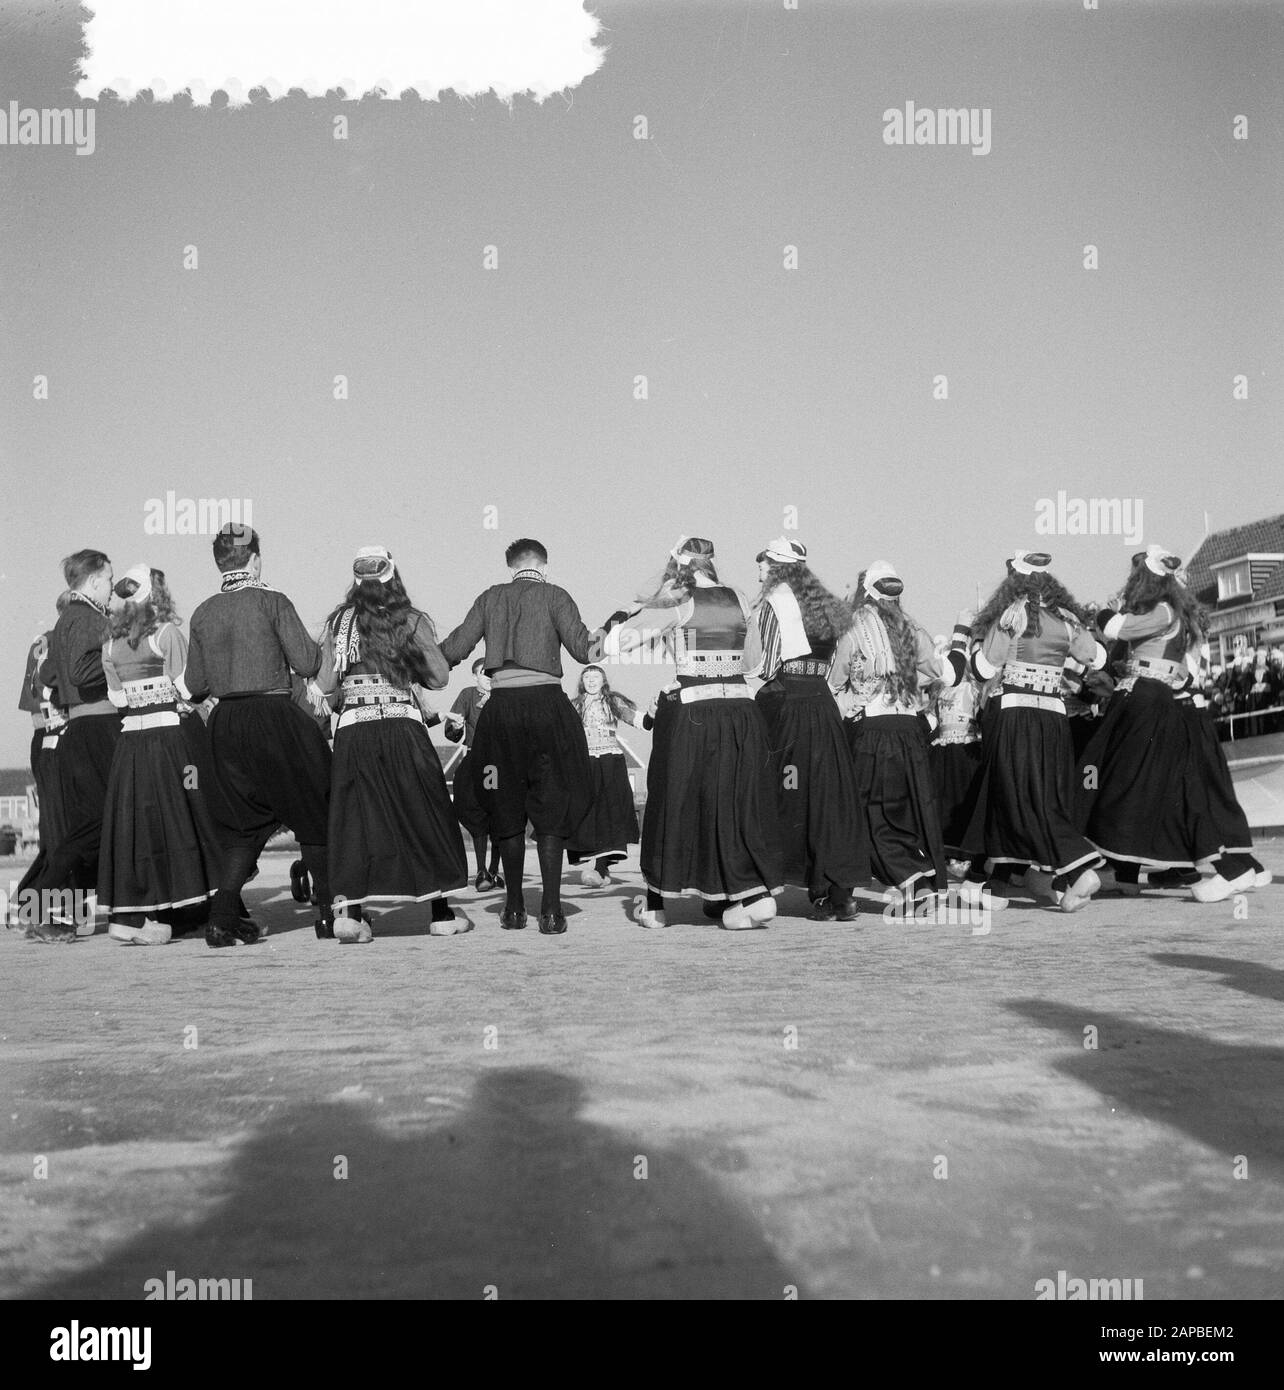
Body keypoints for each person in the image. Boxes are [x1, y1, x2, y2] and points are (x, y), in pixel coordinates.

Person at [601, 536, 782, 930]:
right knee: (733, 802)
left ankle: (655, 904)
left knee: (674, 798)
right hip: (741, 712)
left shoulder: (677, 602)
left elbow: (616, 642)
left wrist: (650, 603)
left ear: (677, 565)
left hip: (692, 713)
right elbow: (753, 660)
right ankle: (745, 893)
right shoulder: (738, 596)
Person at [1077, 546, 1271, 902]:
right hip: (1151, 700)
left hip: (1147, 702)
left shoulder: (1162, 611)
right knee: (1146, 786)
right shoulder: (1172, 611)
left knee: (1102, 774)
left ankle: (1233, 868)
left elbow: (1114, 628)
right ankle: (1125, 869)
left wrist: (1099, 609)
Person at [179, 524, 333, 948]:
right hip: (273, 717)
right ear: (256, 559)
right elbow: (305, 662)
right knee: (313, 811)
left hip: (225, 725)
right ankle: (328, 914)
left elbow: (194, 684)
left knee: (243, 830)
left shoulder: (203, 612)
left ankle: (222, 919)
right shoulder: (272, 602)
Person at [438, 538, 601, 935]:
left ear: (511, 566)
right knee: (553, 801)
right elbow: (585, 652)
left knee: (504, 804)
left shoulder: (491, 597)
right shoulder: (555, 595)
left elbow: (455, 648)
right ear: (544, 566)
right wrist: (603, 635)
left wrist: (417, 657)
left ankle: (512, 906)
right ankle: (550, 909)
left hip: (501, 709)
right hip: (548, 705)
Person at [310, 546, 469, 943]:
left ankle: (349, 914)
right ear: (392, 575)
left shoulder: (339, 622)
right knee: (424, 811)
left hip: (354, 729)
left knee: (354, 821)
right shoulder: (410, 619)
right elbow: (438, 678)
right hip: (401, 721)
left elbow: (326, 685)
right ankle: (441, 913)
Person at [960, 550, 1105, 912]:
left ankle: (1081, 866)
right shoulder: (1068, 618)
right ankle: (1010, 881)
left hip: (1016, 714)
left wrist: (971, 641)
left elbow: (982, 667)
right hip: (1054, 717)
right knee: (1043, 797)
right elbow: (1097, 658)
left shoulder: (1013, 613)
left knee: (1017, 798)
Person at [830, 561, 973, 912]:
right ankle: (922, 880)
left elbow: (833, 683)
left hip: (872, 731)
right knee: (906, 813)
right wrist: (960, 635)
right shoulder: (913, 630)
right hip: (910, 732)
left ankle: (911, 882)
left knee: (865, 814)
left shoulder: (852, 628)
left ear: (865, 591)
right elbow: (950, 674)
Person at [97, 566, 224, 945]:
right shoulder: (167, 633)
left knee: (135, 823)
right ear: (155, 595)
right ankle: (207, 904)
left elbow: (117, 697)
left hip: (130, 746)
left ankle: (132, 914)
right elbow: (188, 687)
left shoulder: (110, 645)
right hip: (171, 742)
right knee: (190, 808)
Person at [744, 537, 863, 920]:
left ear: (777, 568)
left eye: (764, 564)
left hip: (786, 705)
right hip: (823, 706)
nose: (760, 570)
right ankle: (837, 892)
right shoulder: (827, 604)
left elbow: (759, 665)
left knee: (783, 792)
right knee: (828, 797)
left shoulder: (771, 603)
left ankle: (761, 883)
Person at [27, 551, 120, 942]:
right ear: (95, 580)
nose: (113, 587)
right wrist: (121, 651)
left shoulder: (67, 619)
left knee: (89, 825)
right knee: (101, 822)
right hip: (98, 726)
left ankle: (38, 904)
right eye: (110, 579)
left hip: (80, 730)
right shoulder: (87, 618)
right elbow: (83, 672)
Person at [565, 665, 648, 888]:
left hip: (610, 762)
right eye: (587, 677)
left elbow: (637, 719)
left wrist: (658, 714)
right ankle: (599, 864)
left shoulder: (613, 702)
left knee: (608, 811)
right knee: (586, 811)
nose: (591, 681)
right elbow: (562, 729)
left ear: (603, 680)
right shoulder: (574, 705)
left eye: (596, 677)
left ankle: (601, 867)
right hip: (585, 762)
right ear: (582, 681)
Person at [443, 658, 504, 891]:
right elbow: (451, 732)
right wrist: (456, 727)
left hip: (497, 764)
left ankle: (495, 869)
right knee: (475, 810)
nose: (488, 678)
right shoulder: (468, 695)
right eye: (483, 673)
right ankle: (481, 870)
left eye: (492, 674)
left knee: (498, 812)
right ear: (475, 676)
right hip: (475, 759)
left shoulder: (504, 696)